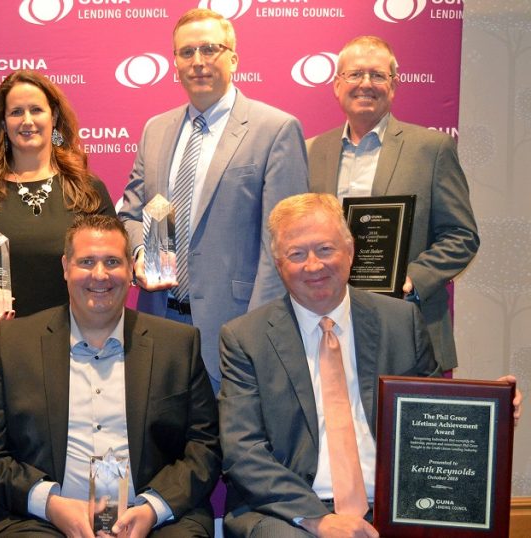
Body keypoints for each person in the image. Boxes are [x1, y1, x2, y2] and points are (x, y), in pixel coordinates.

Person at [217, 193, 519, 538]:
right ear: (278, 263)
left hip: (396, 502)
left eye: (325, 249)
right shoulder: (245, 338)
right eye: (296, 254)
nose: (313, 265)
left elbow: (435, 419)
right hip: (289, 512)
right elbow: (243, 451)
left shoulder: (401, 321)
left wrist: (487, 416)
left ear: (350, 252)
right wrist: (319, 520)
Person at [0, 214, 220, 537]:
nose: (100, 275)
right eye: (86, 261)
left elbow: (204, 449)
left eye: (112, 262)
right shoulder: (14, 344)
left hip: (153, 518)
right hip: (41, 519)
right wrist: (51, 504)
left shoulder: (177, 345)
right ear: (65, 267)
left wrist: (151, 509)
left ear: (131, 268)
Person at [118, 8, 308, 393]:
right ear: (175, 63)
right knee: (163, 445)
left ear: (234, 58)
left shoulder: (275, 129)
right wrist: (139, 253)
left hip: (234, 325)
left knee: (230, 448)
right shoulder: (156, 130)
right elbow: (130, 212)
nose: (198, 62)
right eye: (186, 52)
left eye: (210, 49)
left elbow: (284, 245)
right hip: (159, 320)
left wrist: (258, 331)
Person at [0, 69, 115, 419]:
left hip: (72, 352)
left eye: (36, 110)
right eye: (16, 112)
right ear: (2, 125)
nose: (27, 120)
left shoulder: (87, 190)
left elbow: (111, 262)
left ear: (54, 117)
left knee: (66, 458)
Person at [307, 35, 479, 373]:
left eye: (378, 75)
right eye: (355, 75)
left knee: (404, 427)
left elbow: (461, 235)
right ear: (337, 85)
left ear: (394, 86)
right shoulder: (310, 151)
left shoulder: (432, 149)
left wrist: (412, 280)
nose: (366, 84)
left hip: (409, 327)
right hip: (325, 325)